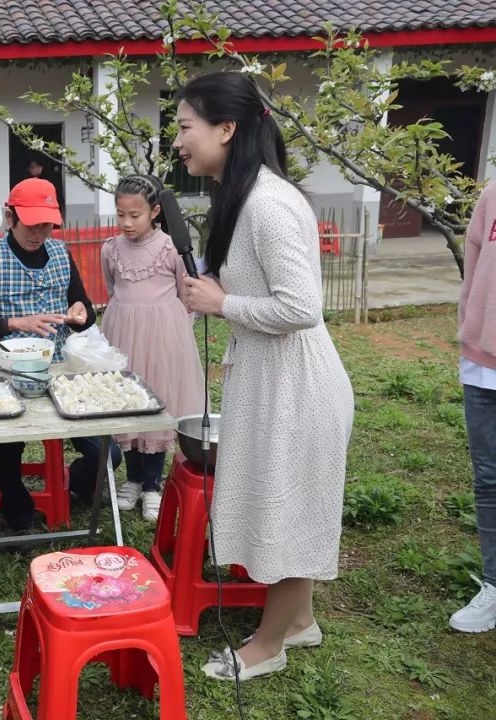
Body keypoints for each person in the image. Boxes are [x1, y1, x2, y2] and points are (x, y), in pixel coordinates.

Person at [174, 71, 354, 681]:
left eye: (185, 127)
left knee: (286, 509)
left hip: (296, 386)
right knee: (283, 499)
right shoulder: (243, 195)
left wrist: (221, 304)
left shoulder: (268, 204)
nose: (178, 141)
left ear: (227, 129)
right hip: (270, 375)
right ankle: (299, 621)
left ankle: (268, 644)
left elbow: (302, 309)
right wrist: (215, 296)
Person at [0, 177, 120, 530]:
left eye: (47, 224)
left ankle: (76, 481)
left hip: (58, 370)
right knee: (6, 445)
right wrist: (14, 323)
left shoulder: (60, 253)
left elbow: (83, 310)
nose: (39, 232)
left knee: (109, 453)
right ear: (11, 218)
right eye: (31, 224)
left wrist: (79, 314)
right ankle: (16, 500)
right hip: (6, 371)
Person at [100, 175, 205, 520]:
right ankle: (131, 479)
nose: (127, 223)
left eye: (135, 215)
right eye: (120, 215)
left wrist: (167, 329)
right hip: (123, 335)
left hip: (162, 336)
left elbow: (184, 294)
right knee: (127, 407)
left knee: (156, 404)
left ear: (155, 211)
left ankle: (152, 484)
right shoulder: (111, 249)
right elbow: (112, 287)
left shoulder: (171, 248)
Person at [450, 182, 496, 633]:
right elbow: (475, 268)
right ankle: (494, 585)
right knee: (489, 480)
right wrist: (470, 330)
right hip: (483, 361)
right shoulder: (493, 195)